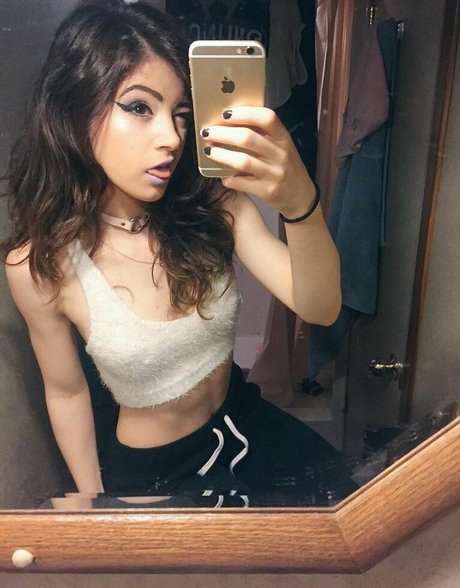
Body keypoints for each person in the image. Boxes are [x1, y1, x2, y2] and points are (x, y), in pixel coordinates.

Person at [2, 0, 352, 505]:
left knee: (349, 508)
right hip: (157, 473)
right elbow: (67, 391)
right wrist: (96, 504)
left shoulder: (214, 205)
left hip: (243, 420)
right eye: (139, 107)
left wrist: (301, 203)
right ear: (74, 109)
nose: (171, 137)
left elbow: (321, 308)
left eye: (181, 115)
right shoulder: (41, 266)